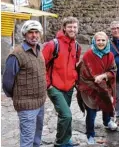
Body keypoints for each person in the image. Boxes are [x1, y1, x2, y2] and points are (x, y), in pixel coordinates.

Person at [2, 20, 47, 147]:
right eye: (30, 32)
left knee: (37, 137)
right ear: (24, 35)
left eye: (36, 32)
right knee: (27, 140)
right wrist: (19, 96)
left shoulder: (39, 50)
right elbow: (7, 82)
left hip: (40, 102)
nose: (34, 35)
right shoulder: (16, 55)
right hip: (26, 106)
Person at [42, 17, 81, 147]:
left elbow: (74, 65)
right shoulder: (53, 44)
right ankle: (59, 143)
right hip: (55, 87)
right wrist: (48, 84)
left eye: (75, 27)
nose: (72, 29)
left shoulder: (77, 46)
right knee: (67, 115)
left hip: (69, 87)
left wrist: (75, 80)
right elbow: (41, 65)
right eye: (69, 26)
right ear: (64, 27)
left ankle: (66, 139)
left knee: (64, 115)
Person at [77, 31, 118, 145]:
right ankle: (90, 134)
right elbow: (84, 76)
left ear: (107, 42)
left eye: (103, 40)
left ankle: (107, 121)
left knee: (106, 104)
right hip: (90, 88)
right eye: (98, 40)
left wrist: (104, 76)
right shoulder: (88, 55)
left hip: (104, 87)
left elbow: (113, 70)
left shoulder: (110, 55)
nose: (100, 42)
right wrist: (97, 82)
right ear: (94, 41)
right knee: (91, 112)